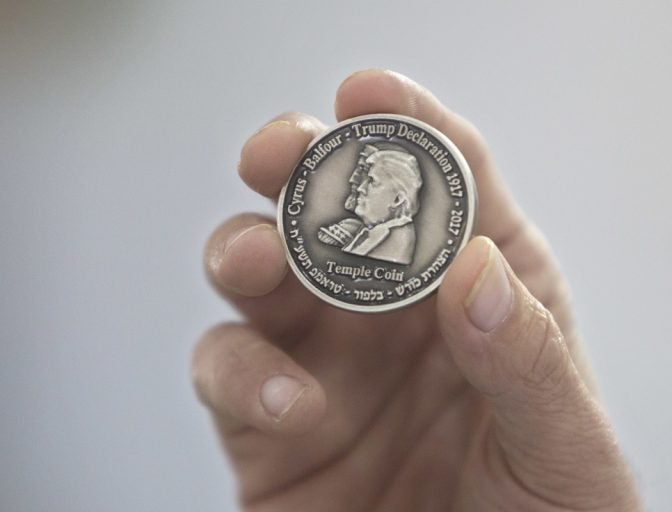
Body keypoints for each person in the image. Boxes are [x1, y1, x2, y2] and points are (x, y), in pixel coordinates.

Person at [195, 69, 641, 510]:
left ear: (398, 201)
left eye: (365, 182)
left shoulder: (395, 249)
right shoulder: (354, 238)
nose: (351, 192)